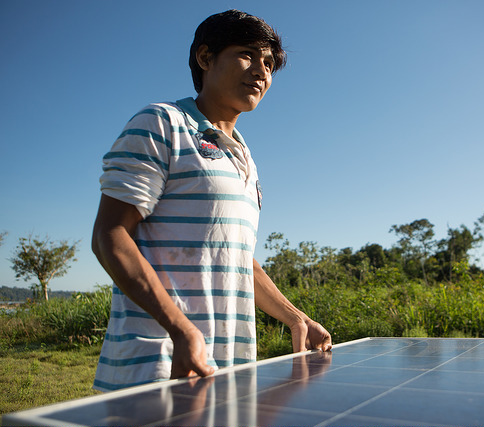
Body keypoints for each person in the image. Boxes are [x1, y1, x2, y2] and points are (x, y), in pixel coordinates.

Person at [92, 9, 332, 392]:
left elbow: (233, 256)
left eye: (269, 63)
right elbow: (111, 234)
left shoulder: (246, 158)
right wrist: (181, 330)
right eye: (247, 55)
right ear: (206, 58)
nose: (261, 71)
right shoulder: (161, 122)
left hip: (230, 372)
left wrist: (295, 317)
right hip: (160, 365)